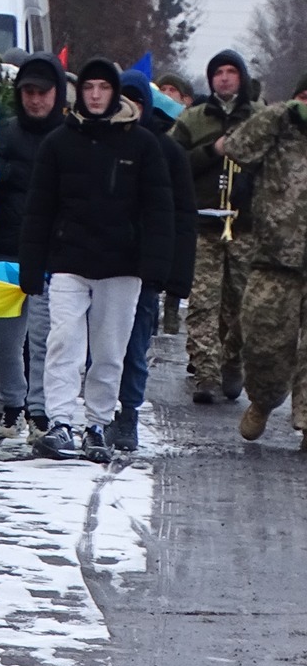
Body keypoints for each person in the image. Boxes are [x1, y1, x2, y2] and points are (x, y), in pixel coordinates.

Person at [21, 58, 174, 462]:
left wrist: (157, 266)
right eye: (88, 87)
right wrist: (32, 266)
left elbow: (159, 209)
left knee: (109, 349)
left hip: (122, 265)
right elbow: (39, 208)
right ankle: (60, 422)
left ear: (114, 93)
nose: (94, 95)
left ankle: (98, 424)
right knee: (63, 341)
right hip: (69, 260)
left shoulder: (141, 145)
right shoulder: (59, 142)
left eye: (103, 88)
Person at [110, 73, 197, 450]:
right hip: (104, 262)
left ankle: (128, 415)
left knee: (135, 345)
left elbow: (181, 218)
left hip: (145, 269)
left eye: (138, 102)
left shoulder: (167, 151)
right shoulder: (101, 143)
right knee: (102, 346)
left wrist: (176, 278)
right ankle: (100, 414)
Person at [171, 49, 261, 403]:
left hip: (245, 227)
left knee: (239, 304)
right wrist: (213, 151)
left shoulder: (259, 118)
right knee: (203, 302)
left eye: (231, 72)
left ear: (241, 77)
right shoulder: (194, 120)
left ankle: (232, 362)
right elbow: (173, 161)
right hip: (204, 224)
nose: (224, 78)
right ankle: (205, 372)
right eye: (218, 73)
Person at [0, 55, 66, 435]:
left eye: (42, 93)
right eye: (28, 92)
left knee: (44, 339)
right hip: (5, 250)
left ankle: (39, 408)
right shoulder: (2, 135)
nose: (35, 100)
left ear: (57, 94)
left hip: (52, 256)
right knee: (5, 340)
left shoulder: (68, 138)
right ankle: (12, 404)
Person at [222, 95, 307, 444]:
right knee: (265, 346)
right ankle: (263, 399)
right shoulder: (279, 127)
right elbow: (236, 147)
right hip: (275, 260)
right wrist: (276, 116)